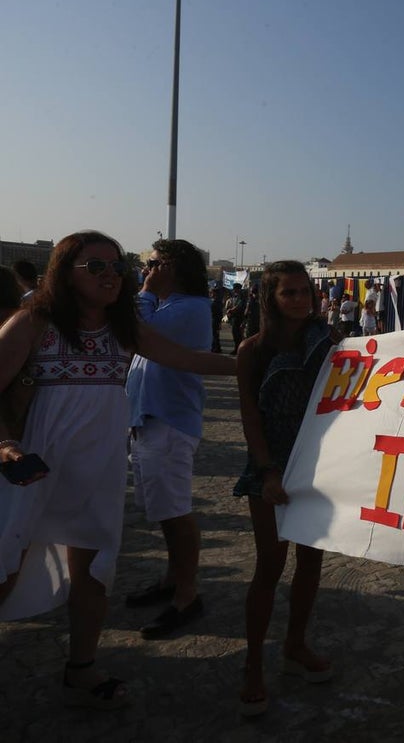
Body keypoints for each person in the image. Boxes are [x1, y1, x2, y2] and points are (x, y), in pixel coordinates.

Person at [0, 230, 234, 709]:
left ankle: (81, 667)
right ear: (65, 273)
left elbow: (189, 360)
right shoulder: (33, 323)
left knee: (93, 570)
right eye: (96, 267)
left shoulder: (124, 328)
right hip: (34, 466)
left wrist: (257, 359)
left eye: (117, 266)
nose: (111, 275)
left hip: (98, 470)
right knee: (5, 566)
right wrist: (5, 444)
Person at [233, 260, 339, 717]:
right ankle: (253, 663)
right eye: (288, 293)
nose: (299, 300)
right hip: (272, 464)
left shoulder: (330, 342)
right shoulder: (252, 350)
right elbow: (250, 416)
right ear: (271, 299)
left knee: (311, 562)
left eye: (304, 291)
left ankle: (295, 646)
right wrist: (267, 471)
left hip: (317, 462)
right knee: (270, 566)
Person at [123, 240, 213, 639]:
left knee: (176, 513)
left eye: (155, 263)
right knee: (163, 511)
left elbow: (133, 333)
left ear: (174, 267)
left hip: (170, 422)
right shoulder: (169, 306)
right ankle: (173, 579)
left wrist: (144, 292)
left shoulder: (190, 307)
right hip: (150, 419)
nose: (148, 269)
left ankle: (186, 595)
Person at [225, 283, 247, 353]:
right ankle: (237, 348)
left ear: (238, 289)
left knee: (238, 335)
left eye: (235, 289)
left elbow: (239, 306)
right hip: (234, 317)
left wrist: (230, 310)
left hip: (239, 317)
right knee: (235, 334)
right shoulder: (235, 296)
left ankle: (239, 349)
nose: (234, 290)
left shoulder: (242, 297)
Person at [209, 284, 225, 353]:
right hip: (213, 319)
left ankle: (216, 348)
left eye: (212, 292)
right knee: (214, 334)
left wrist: (219, 322)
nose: (211, 294)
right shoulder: (214, 300)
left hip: (215, 319)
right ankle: (215, 347)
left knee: (215, 334)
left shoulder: (217, 301)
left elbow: (219, 313)